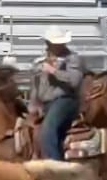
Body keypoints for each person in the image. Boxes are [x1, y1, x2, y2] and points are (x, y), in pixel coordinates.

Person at [29, 25, 83, 160]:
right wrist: (34, 103)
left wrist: (54, 72)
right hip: (45, 103)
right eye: (56, 43)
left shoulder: (72, 58)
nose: (60, 45)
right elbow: (35, 85)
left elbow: (75, 81)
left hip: (65, 100)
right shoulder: (39, 61)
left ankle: (55, 166)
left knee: (48, 129)